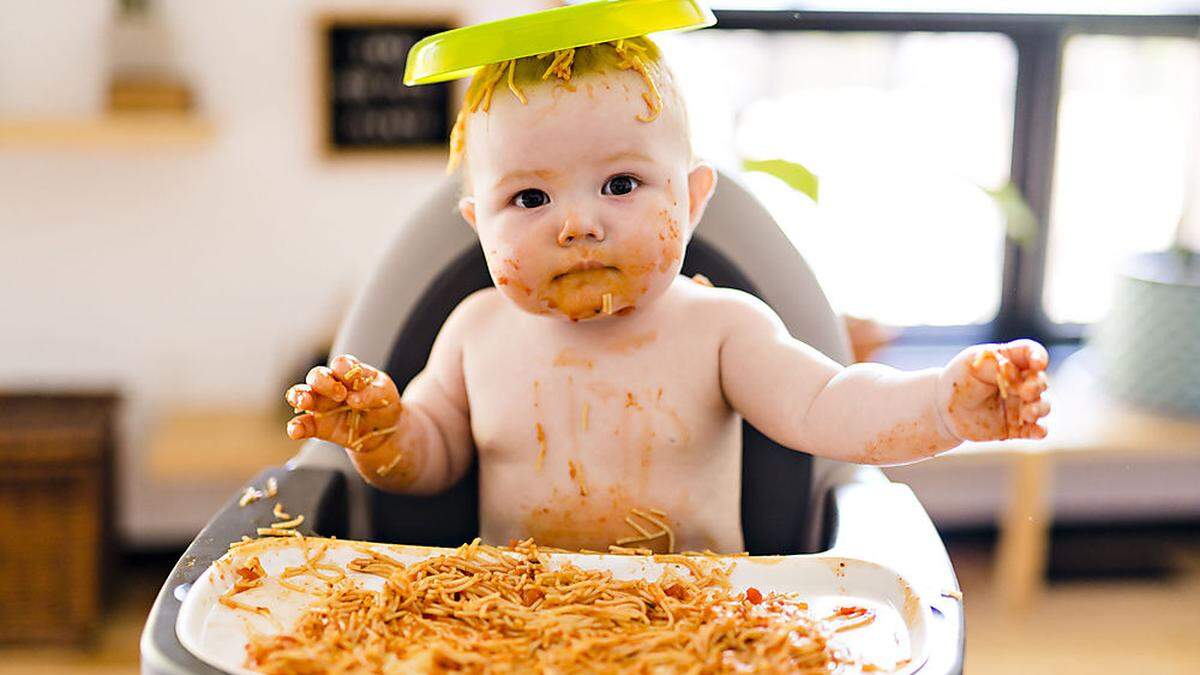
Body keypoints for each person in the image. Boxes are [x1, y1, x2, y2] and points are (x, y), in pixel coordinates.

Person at [285, 38, 1050, 554]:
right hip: (512, 621)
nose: (578, 224)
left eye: (621, 184)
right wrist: (382, 432)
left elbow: (833, 406)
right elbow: (433, 457)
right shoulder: (474, 333)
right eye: (527, 198)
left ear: (690, 199)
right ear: (476, 223)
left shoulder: (720, 330)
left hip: (702, 624)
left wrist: (945, 406)